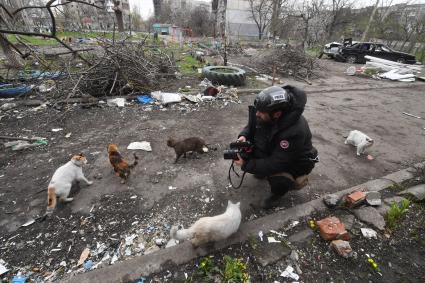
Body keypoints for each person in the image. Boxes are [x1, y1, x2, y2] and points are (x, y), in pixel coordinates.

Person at [234, 85, 318, 209]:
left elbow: (277, 163)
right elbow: (252, 126)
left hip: (295, 163)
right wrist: (244, 136)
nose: (257, 114)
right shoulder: (269, 114)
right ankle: (261, 171)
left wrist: (246, 165)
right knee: (249, 149)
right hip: (278, 151)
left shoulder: (295, 131)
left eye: (261, 112)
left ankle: (277, 194)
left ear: (277, 114)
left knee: (280, 178)